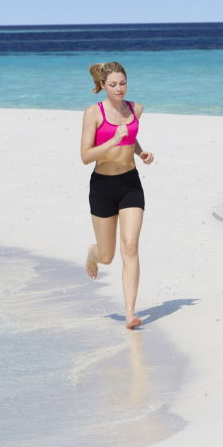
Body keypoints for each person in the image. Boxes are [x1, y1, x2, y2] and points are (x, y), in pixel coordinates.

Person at [80, 61, 154, 329]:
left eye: (122, 83)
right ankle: (93, 252)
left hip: (130, 183)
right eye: (113, 84)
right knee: (108, 255)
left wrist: (140, 152)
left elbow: (130, 138)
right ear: (102, 86)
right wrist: (112, 141)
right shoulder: (93, 113)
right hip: (103, 186)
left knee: (131, 245)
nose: (119, 88)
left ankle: (130, 312)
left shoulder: (136, 109)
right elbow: (85, 156)